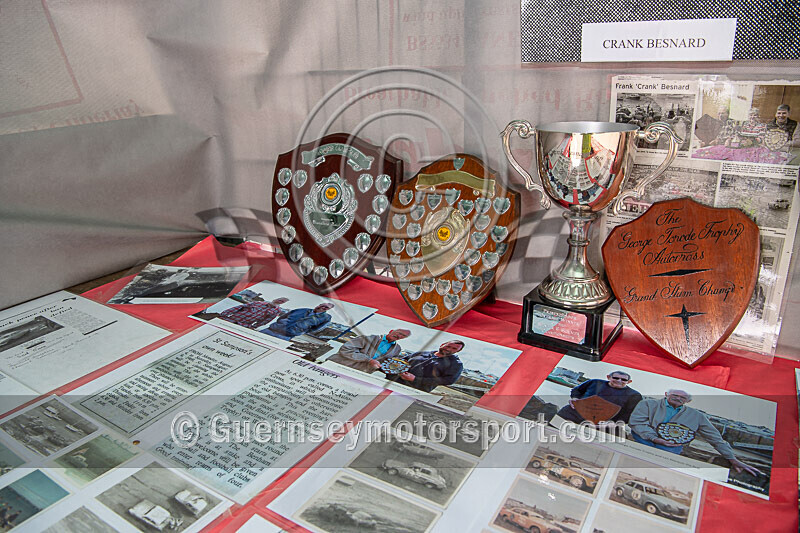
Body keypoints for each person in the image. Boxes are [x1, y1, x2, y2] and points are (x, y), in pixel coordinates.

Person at [628, 389, 761, 476]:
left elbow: (715, 438)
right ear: (666, 394)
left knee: (659, 468)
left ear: (688, 401)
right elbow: (636, 423)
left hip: (672, 447)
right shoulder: (648, 404)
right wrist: (654, 438)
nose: (678, 398)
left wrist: (732, 458)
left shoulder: (697, 416)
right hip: (644, 438)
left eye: (683, 397)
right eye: (675, 395)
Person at [556, 370, 643, 425]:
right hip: (574, 413)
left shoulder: (634, 395)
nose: (619, 381)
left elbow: (629, 415)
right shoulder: (595, 382)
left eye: (623, 380)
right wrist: (575, 398)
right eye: (615, 378)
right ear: (608, 377)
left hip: (602, 424)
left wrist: (611, 423)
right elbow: (576, 391)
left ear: (629, 381)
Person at [386, 340, 464, 393]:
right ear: (442, 344)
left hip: (414, 391)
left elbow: (448, 380)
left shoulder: (456, 364)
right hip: (392, 382)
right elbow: (401, 361)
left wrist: (415, 379)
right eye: (448, 346)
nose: (449, 349)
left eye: (454, 348)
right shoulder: (422, 353)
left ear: (458, 351)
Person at [327, 329, 411, 373]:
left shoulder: (397, 349)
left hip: (359, 374)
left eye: (404, 336)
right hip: (338, 366)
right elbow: (345, 349)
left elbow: (387, 365)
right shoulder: (368, 338)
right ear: (391, 331)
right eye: (399, 332)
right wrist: (369, 360)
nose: (400, 335)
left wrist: (398, 367)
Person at [262, 303, 334, 340]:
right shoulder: (302, 309)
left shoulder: (326, 318)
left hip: (285, 336)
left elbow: (317, 328)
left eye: (326, 307)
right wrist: (281, 323)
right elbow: (282, 317)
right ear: (320, 304)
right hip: (270, 330)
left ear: (328, 309)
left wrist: (301, 331)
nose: (323, 307)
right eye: (323, 305)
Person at [218, 297, 289, 329]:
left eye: (282, 301)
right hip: (230, 319)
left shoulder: (277, 311)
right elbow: (238, 307)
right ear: (275, 299)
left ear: (283, 303)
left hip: (244, 325)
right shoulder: (258, 303)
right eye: (279, 299)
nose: (279, 301)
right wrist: (223, 315)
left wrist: (254, 327)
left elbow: (266, 321)